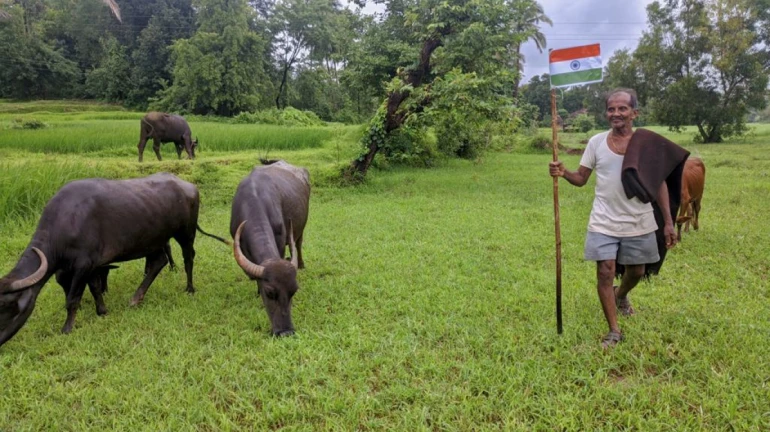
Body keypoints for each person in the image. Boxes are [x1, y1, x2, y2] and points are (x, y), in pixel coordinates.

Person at [548, 88, 678, 349]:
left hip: (639, 219)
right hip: (603, 220)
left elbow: (660, 184)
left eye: (622, 108)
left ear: (634, 113)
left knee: (637, 271)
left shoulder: (646, 143)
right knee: (605, 271)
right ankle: (614, 331)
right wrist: (563, 172)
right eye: (611, 109)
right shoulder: (596, 142)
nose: (616, 113)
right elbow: (582, 179)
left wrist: (667, 222)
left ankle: (622, 295)